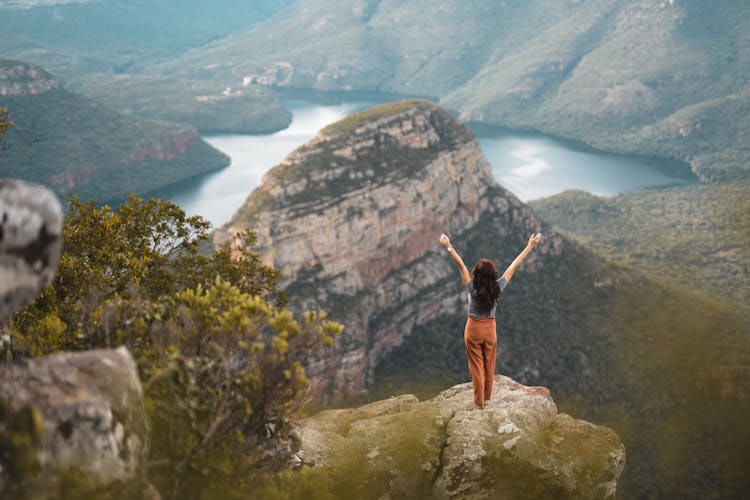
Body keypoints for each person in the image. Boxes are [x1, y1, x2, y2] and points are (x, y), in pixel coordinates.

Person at [438, 231, 542, 409]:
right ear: (493, 274)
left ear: (476, 275)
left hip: (473, 329)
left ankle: (479, 401)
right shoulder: (498, 287)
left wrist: (448, 246)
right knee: (489, 363)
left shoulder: (472, 288)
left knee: (476, 365)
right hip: (490, 330)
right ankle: (487, 397)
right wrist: (530, 246)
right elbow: (514, 265)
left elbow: (461, 266)